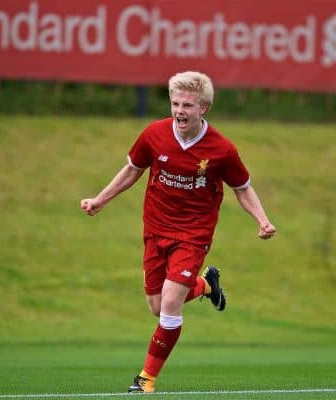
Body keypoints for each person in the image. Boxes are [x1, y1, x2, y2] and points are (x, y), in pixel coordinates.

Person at [80, 71, 276, 393]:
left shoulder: (222, 150)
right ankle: (206, 286)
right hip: (155, 230)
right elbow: (133, 170)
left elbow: (243, 188)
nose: (179, 111)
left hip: (193, 234)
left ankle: (146, 379)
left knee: (171, 304)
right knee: (156, 307)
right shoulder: (154, 135)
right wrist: (101, 199)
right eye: (175, 103)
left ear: (204, 109)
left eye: (187, 104)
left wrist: (262, 220)